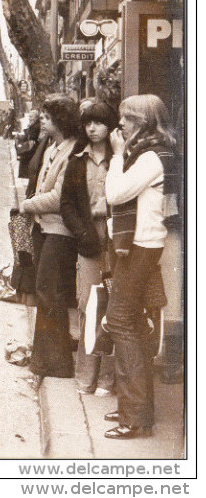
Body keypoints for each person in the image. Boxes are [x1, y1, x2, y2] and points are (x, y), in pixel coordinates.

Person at [103, 95, 178, 439]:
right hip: (140, 246)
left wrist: (117, 155)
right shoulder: (152, 152)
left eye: (127, 119)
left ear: (144, 122)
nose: (121, 126)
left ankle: (135, 417)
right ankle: (135, 408)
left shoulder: (149, 157)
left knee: (121, 322)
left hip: (140, 247)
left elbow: (116, 194)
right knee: (129, 323)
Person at [19, 94, 80, 388]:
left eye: (48, 116)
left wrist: (28, 205)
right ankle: (44, 359)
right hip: (45, 229)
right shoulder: (53, 146)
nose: (42, 119)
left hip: (60, 232)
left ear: (61, 120)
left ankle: (55, 362)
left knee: (49, 293)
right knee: (45, 293)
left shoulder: (71, 151)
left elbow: (59, 197)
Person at [60, 101, 118, 397]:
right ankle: (86, 376)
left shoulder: (121, 159)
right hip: (88, 241)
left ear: (111, 125)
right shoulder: (77, 160)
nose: (92, 128)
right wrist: (82, 233)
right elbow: (66, 204)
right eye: (88, 123)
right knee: (88, 307)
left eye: (99, 122)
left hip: (117, 241)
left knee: (114, 309)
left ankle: (108, 379)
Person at [16, 110, 41, 179]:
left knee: (23, 154)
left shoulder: (36, 126)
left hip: (33, 148)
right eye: (29, 116)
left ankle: (25, 175)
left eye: (31, 116)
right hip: (32, 146)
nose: (29, 118)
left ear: (35, 117)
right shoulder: (34, 124)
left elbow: (32, 138)